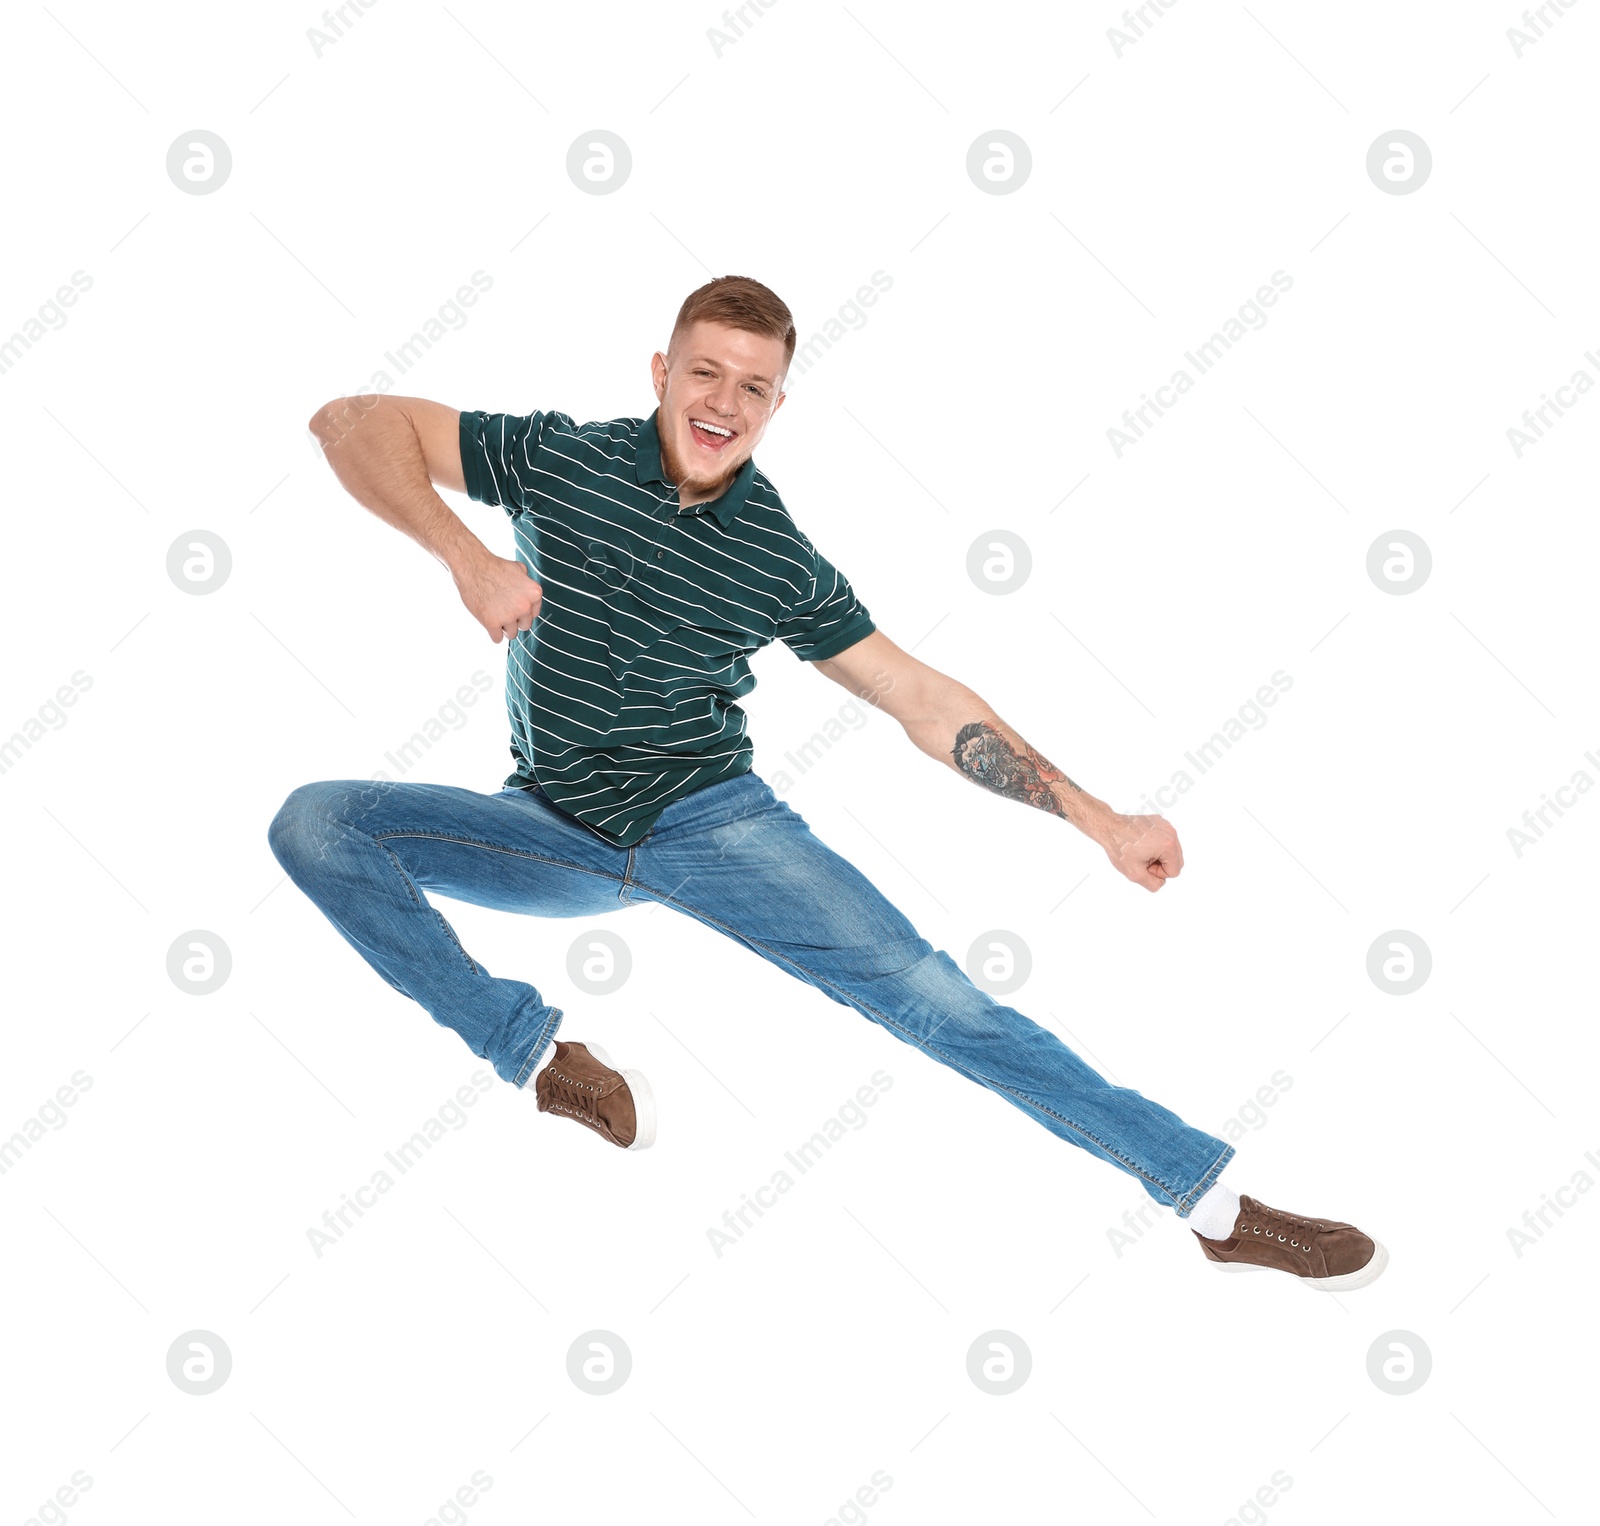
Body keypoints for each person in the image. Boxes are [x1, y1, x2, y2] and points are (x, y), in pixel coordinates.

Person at [271, 275, 1385, 1290]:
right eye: (703, 372)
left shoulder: (774, 554)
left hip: (710, 822)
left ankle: (1214, 1201)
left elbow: (916, 696)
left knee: (937, 1001)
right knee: (319, 824)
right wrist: (467, 557)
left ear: (776, 407)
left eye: (753, 387)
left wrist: (1095, 817)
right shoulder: (557, 458)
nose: (723, 402)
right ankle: (540, 1057)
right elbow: (351, 421)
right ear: (660, 374)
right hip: (547, 829)